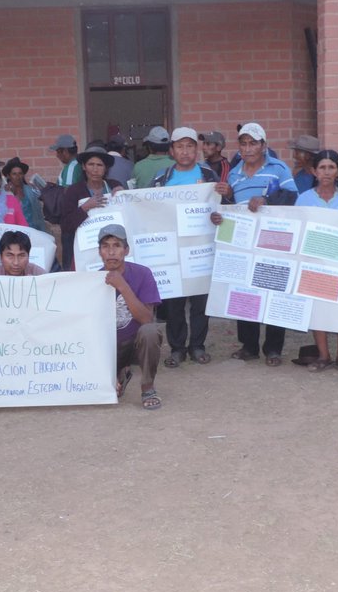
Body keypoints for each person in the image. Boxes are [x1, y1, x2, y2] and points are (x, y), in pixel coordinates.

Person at [217, 122, 298, 365]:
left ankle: (273, 349)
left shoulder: (279, 168)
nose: (248, 148)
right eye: (243, 143)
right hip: (245, 245)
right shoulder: (234, 173)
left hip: (274, 242)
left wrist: (266, 199)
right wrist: (225, 205)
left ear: (263, 145)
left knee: (274, 292)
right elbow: (232, 208)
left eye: (253, 143)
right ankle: (249, 346)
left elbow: (292, 196)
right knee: (245, 293)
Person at [150, 126, 218, 366]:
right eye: (180, 146)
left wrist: (221, 208)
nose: (185, 151)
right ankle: (177, 348)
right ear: (171, 150)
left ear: (197, 150)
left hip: (201, 248)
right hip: (172, 249)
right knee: (174, 300)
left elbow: (222, 208)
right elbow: (148, 211)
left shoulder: (210, 176)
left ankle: (197, 346)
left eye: (190, 146)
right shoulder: (161, 179)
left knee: (200, 300)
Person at [296, 149, 338, 373]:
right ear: (314, 171)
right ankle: (324, 356)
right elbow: (297, 230)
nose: (326, 172)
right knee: (318, 310)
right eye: (322, 167)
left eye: (331, 167)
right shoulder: (304, 199)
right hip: (314, 264)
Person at [97, 224, 164, 410]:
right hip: (107, 349)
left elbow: (146, 319)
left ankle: (148, 387)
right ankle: (117, 374)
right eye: (105, 246)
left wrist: (123, 286)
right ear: (99, 252)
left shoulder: (143, 274)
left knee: (151, 331)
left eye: (117, 245)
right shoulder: (91, 280)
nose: (111, 252)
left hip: (135, 344)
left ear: (126, 250)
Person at [61, 142, 125, 270]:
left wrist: (124, 195)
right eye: (91, 164)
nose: (95, 169)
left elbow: (127, 215)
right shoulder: (75, 191)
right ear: (84, 167)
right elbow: (66, 225)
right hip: (85, 250)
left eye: (99, 165)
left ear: (106, 168)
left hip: (112, 250)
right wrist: (85, 207)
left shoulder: (114, 185)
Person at [43, 135, 81, 268]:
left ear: (65, 151)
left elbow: (67, 193)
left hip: (70, 220)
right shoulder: (76, 165)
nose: (57, 156)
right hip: (75, 218)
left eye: (58, 152)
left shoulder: (72, 167)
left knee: (69, 259)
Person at [3, 157, 47, 233]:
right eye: (14, 174)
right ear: (8, 176)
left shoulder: (30, 190)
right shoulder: (4, 193)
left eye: (20, 173)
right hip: (14, 233)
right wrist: (10, 194)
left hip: (34, 231)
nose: (18, 177)